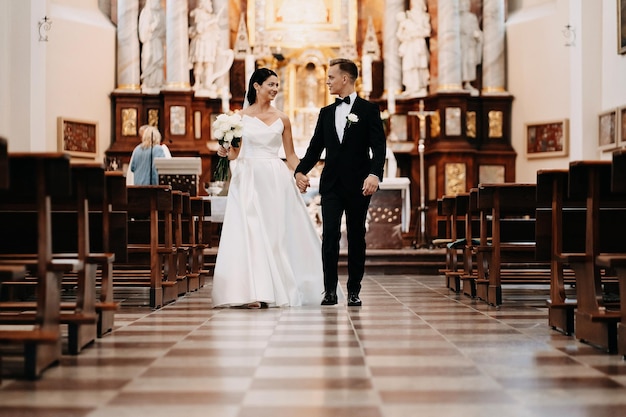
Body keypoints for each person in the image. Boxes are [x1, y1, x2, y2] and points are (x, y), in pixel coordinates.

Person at [211, 68, 324, 309]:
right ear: (256, 86)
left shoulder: (283, 118)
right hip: (247, 177)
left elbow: (291, 155)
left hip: (274, 178)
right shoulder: (238, 118)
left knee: (274, 235)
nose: (274, 89)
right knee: (249, 232)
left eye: (277, 85)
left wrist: (301, 174)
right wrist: (224, 151)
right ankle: (251, 291)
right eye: (270, 84)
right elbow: (234, 154)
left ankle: (275, 289)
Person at [294, 58, 386, 307]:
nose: (327, 81)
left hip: (359, 184)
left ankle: (354, 290)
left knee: (357, 236)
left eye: (331, 77)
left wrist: (374, 174)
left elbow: (379, 148)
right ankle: (330, 291)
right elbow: (314, 149)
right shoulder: (326, 113)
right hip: (332, 185)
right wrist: (299, 171)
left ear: (345, 79)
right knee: (330, 236)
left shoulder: (369, 110)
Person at [396, 0, 431, 97]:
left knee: (418, 65)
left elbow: (427, 31)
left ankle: (420, 87)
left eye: (417, 3)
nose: (415, 6)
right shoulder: (407, 18)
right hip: (409, 45)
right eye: (414, 4)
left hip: (418, 43)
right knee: (408, 65)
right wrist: (407, 36)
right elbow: (399, 35)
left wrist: (415, 34)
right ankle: (410, 87)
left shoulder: (424, 16)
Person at [188, 0, 221, 92]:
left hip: (209, 42)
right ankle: (197, 82)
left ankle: (207, 83)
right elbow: (199, 28)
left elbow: (216, 31)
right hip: (200, 41)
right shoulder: (198, 13)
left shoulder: (211, 16)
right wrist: (211, 22)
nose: (210, 5)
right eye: (209, 3)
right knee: (198, 62)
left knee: (208, 63)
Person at [138, 0, 165, 92]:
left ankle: (158, 82)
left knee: (158, 63)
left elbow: (165, 31)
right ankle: (147, 81)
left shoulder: (161, 13)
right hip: (148, 42)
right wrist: (152, 28)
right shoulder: (145, 13)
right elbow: (142, 34)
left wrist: (158, 32)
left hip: (158, 42)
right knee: (147, 59)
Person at [460, 0, 483, 94]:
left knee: (470, 62)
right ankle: (457, 83)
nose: (465, 6)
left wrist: (477, 35)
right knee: (461, 63)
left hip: (470, 44)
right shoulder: (456, 17)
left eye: (466, 4)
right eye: (463, 4)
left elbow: (476, 30)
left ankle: (467, 83)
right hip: (461, 45)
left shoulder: (472, 17)